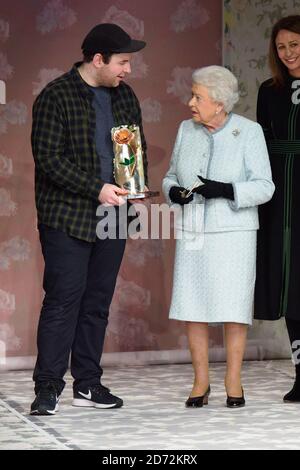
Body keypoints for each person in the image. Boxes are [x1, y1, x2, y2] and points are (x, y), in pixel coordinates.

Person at [30, 23, 147, 415]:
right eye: (123, 62)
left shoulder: (125, 96)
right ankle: (47, 386)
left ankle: (88, 383)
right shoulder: (56, 96)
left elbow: (133, 149)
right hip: (67, 216)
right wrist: (96, 188)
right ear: (98, 59)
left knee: (97, 302)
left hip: (114, 213)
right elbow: (49, 161)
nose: (128, 70)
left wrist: (134, 186)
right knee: (64, 300)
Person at [163, 65, 274, 408]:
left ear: (220, 103)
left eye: (197, 96)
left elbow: (265, 187)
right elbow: (169, 175)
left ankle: (233, 379)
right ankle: (200, 381)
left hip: (234, 234)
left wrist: (226, 190)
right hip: (194, 231)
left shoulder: (249, 131)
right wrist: (173, 193)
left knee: (233, 307)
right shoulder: (186, 130)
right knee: (193, 306)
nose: (190, 102)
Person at [254, 15, 300, 403]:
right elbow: (260, 144)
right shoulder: (269, 90)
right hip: (281, 196)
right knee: (291, 285)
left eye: (295, 45)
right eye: (282, 46)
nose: (288, 53)